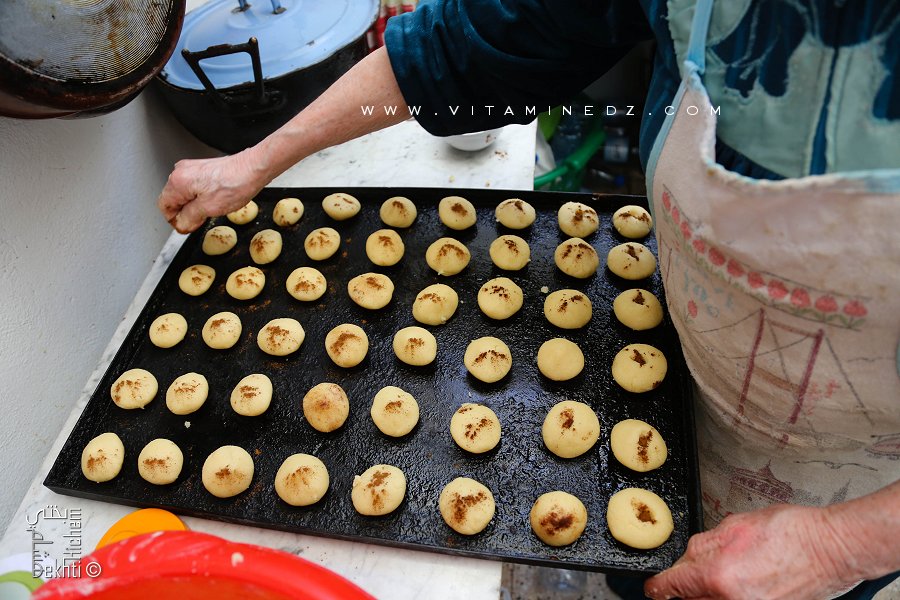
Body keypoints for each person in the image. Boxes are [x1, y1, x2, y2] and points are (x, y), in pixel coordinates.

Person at [158, 1, 900, 598]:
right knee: (640, 555)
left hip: (859, 477)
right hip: (663, 363)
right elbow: (455, 50)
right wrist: (255, 162)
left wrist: (840, 544)